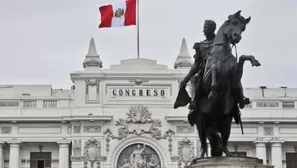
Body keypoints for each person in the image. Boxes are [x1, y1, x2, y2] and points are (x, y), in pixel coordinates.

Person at [179, 20, 217, 126]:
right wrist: (185, 79)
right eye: (204, 28)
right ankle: (193, 104)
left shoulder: (220, 44)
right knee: (195, 79)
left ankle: (240, 97)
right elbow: (195, 65)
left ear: (211, 29)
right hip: (204, 71)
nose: (203, 30)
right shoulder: (200, 45)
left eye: (205, 28)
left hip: (219, 71)